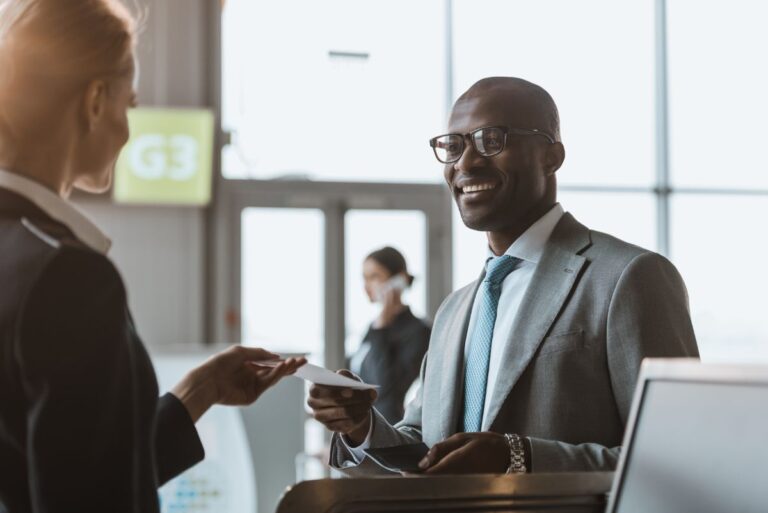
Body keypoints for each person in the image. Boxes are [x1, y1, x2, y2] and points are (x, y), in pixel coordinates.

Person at [308, 77, 699, 475]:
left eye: (490, 140)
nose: (466, 162)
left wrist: (519, 458)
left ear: (551, 156)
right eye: (453, 146)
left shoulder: (629, 277)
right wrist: (361, 427)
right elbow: (424, 451)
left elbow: (680, 458)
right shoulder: (454, 311)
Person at [0, 1, 305, 511]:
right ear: (95, 101)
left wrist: (200, 390)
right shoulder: (69, 276)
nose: (128, 128)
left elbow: (64, 469)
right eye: (131, 104)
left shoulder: (20, 253)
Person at [348, 246, 431, 424]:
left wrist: (383, 325)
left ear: (398, 280)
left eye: (374, 277)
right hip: (361, 426)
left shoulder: (418, 331)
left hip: (389, 428)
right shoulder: (375, 326)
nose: (366, 286)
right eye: (364, 278)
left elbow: (385, 389)